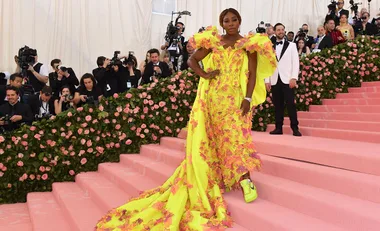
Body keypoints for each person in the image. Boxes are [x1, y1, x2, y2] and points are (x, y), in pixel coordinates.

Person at [96, 8, 276, 230]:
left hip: (236, 99)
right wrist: (205, 75)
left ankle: (246, 180)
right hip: (212, 98)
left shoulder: (249, 44)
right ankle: (216, 177)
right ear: (221, 23)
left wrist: (248, 97)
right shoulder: (214, 42)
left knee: (236, 137)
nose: (230, 23)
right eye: (226, 20)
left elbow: (251, 74)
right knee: (212, 138)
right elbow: (192, 61)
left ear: (240, 21)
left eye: (234, 19)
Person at [266, 23, 302, 137]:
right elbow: (267, 64)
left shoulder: (291, 45)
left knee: (291, 104)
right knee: (278, 105)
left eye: (282, 29)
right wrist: (267, 80)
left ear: (285, 31)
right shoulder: (269, 46)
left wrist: (294, 78)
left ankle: (295, 128)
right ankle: (278, 128)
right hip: (275, 79)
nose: (280, 31)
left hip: (287, 79)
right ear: (275, 32)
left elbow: (295, 63)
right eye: (278, 30)